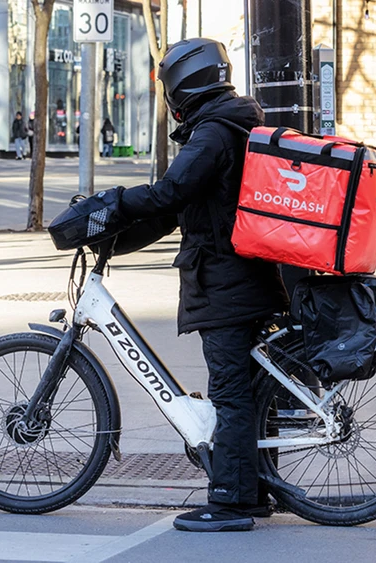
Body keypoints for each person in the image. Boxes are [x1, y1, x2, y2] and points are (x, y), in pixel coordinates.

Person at [102, 38, 288, 532]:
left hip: (227, 282)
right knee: (245, 392)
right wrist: (117, 240)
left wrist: (114, 202)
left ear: (185, 83)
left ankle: (230, 503)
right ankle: (255, 491)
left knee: (229, 393)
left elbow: (171, 191)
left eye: (169, 86)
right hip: (247, 275)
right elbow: (179, 208)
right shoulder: (233, 122)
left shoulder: (212, 133)